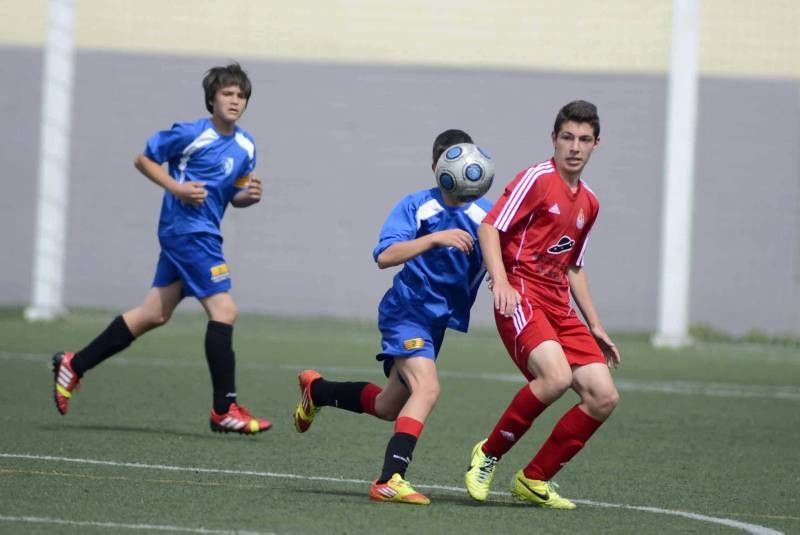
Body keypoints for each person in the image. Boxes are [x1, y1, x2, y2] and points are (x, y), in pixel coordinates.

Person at [52, 63, 272, 434]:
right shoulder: (189, 134)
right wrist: (177, 188)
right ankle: (225, 409)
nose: (235, 101)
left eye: (241, 95)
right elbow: (144, 160)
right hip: (187, 232)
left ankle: (74, 364)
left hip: (202, 233)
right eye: (227, 94)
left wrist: (247, 196)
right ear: (212, 99)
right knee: (224, 310)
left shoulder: (247, 146)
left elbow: (233, 195)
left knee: (153, 314)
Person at [293, 129, 493, 505]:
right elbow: (384, 255)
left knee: (388, 407)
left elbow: (505, 254)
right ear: (436, 167)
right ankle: (390, 479)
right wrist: (435, 238)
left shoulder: (487, 216)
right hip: (406, 311)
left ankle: (316, 391)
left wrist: (501, 276)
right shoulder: (417, 205)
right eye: (446, 160)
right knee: (428, 389)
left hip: (435, 324)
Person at [464, 100, 621, 509]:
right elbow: (489, 227)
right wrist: (500, 281)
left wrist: (596, 326)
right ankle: (488, 453)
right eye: (567, 137)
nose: (575, 146)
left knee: (603, 396)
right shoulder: (536, 179)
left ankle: (534, 479)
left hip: (559, 305)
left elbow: (574, 267)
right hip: (520, 293)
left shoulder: (590, 202)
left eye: (584, 139)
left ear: (595, 145)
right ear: (553, 139)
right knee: (555, 377)